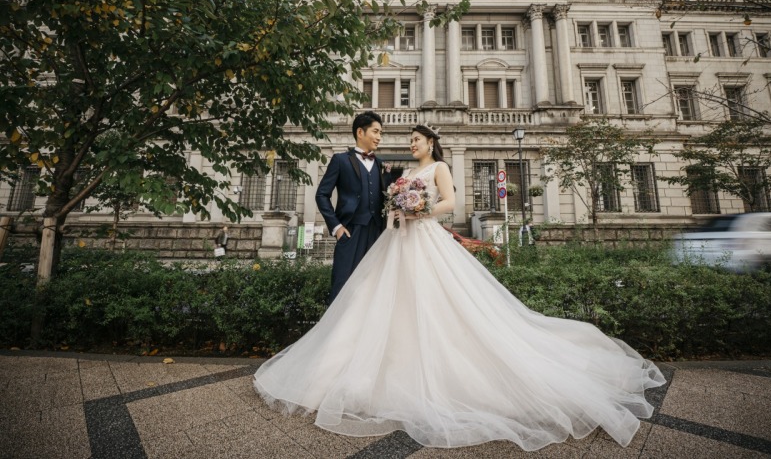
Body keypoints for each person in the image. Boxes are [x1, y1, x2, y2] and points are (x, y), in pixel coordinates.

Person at [254, 124, 665, 452]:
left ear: (432, 143)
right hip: (395, 241)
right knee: (379, 300)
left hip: (425, 237)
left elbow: (450, 203)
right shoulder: (402, 172)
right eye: (410, 141)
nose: (410, 144)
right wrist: (399, 207)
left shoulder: (439, 169)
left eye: (416, 140)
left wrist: (420, 210)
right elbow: (383, 199)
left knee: (439, 302)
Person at [315, 111, 387, 303]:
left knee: (372, 285)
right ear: (360, 132)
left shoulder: (379, 164)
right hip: (350, 231)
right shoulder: (340, 160)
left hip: (376, 233)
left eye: (381, 133)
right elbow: (321, 194)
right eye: (376, 131)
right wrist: (337, 227)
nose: (379, 137)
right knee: (342, 285)